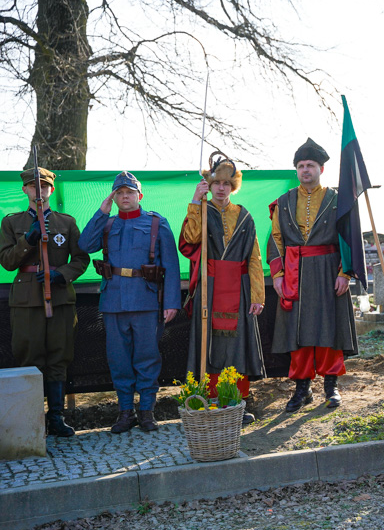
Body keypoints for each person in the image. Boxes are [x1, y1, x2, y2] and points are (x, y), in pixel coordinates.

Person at [78, 172, 181, 433]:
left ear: (139, 196)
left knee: (147, 357)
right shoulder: (108, 223)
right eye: (120, 193)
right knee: (118, 359)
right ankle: (125, 412)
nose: (125, 197)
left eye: (129, 192)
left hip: (146, 301)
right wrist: (102, 212)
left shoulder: (157, 223)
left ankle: (147, 411)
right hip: (113, 302)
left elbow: (170, 264)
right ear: (114, 197)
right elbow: (84, 244)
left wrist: (171, 302)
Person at [267, 138, 358, 412]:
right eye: (301, 166)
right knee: (299, 333)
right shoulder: (283, 203)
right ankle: (302, 389)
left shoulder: (338, 199)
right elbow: (275, 238)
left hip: (330, 270)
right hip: (295, 272)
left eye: (311, 165)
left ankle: (331, 387)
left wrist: (345, 272)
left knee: (329, 329)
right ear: (296, 170)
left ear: (321, 169)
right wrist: (278, 275)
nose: (305, 170)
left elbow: (349, 237)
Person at [0, 167, 89, 437]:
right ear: (25, 190)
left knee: (59, 356)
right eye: (32, 186)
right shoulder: (12, 223)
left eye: (44, 186)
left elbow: (81, 260)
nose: (39, 190)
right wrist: (28, 240)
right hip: (27, 300)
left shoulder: (67, 222)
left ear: (51, 189)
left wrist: (60, 275)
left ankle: (56, 417)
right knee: (30, 356)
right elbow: (7, 261)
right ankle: (33, 418)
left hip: (60, 298)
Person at [180, 153, 266, 425]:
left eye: (227, 184)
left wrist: (257, 295)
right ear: (209, 183)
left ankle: (235, 404)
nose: (221, 188)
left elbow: (254, 257)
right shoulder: (201, 210)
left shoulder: (245, 216)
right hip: (209, 287)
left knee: (237, 345)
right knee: (209, 343)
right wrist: (195, 200)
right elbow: (189, 240)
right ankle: (208, 402)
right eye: (216, 182)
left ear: (233, 186)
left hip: (239, 289)